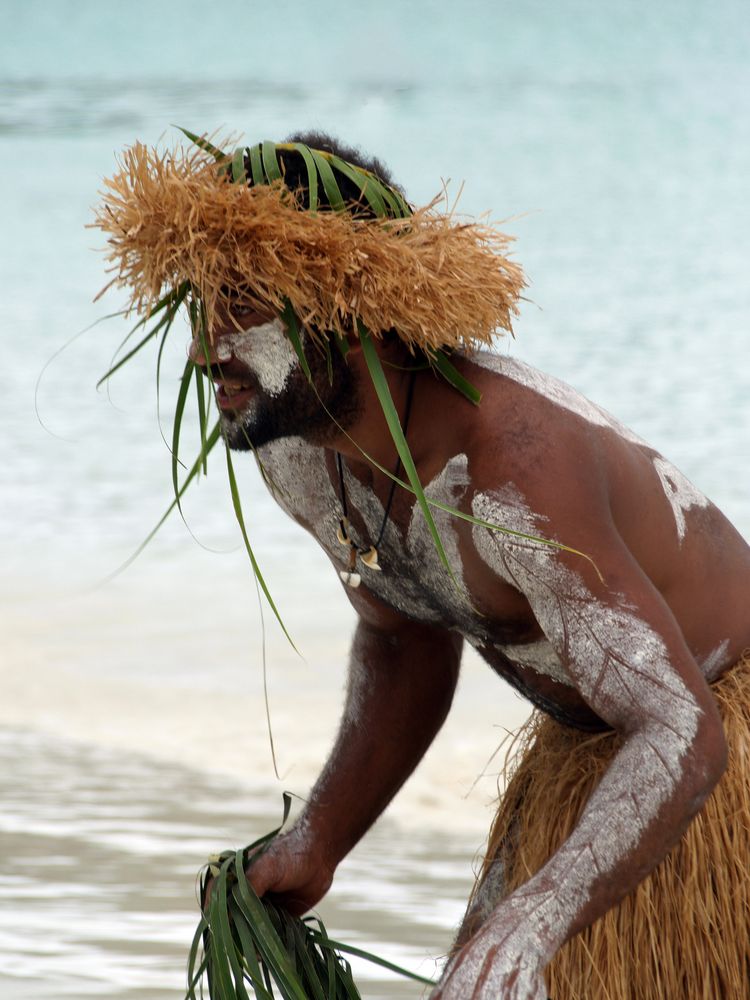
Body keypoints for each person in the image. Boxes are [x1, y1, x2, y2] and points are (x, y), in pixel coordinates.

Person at [99, 131, 750, 999]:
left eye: (245, 303)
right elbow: (402, 638)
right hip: (595, 753)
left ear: (349, 300)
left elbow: (682, 732)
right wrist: (321, 837)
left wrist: (529, 926)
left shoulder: (514, 471)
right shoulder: (300, 454)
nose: (203, 348)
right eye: (202, 302)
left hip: (713, 754)